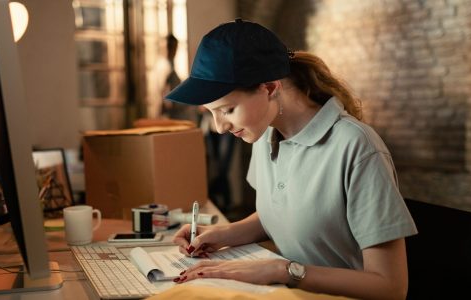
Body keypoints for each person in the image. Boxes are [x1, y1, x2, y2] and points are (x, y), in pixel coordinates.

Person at [165, 19, 417, 299]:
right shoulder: (263, 133)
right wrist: (222, 234)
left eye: (227, 110)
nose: (219, 127)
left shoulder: (357, 147)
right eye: (210, 112)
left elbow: (391, 287)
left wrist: (284, 270)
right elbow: (279, 212)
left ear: (271, 88)